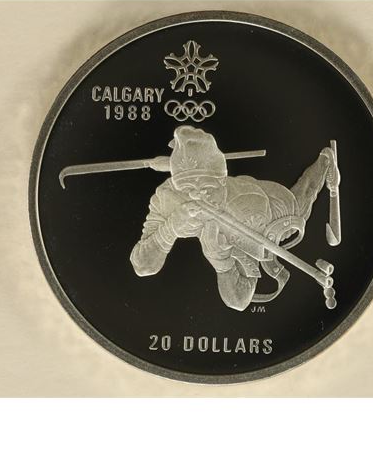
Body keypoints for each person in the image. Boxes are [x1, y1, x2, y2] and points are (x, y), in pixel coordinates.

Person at [130, 126, 339, 311]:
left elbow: (239, 300)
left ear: (222, 182)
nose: (197, 197)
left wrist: (222, 262)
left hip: (276, 210)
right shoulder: (167, 197)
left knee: (305, 194)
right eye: (187, 189)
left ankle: (325, 161)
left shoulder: (246, 205)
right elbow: (143, 267)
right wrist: (170, 229)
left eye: (207, 188)